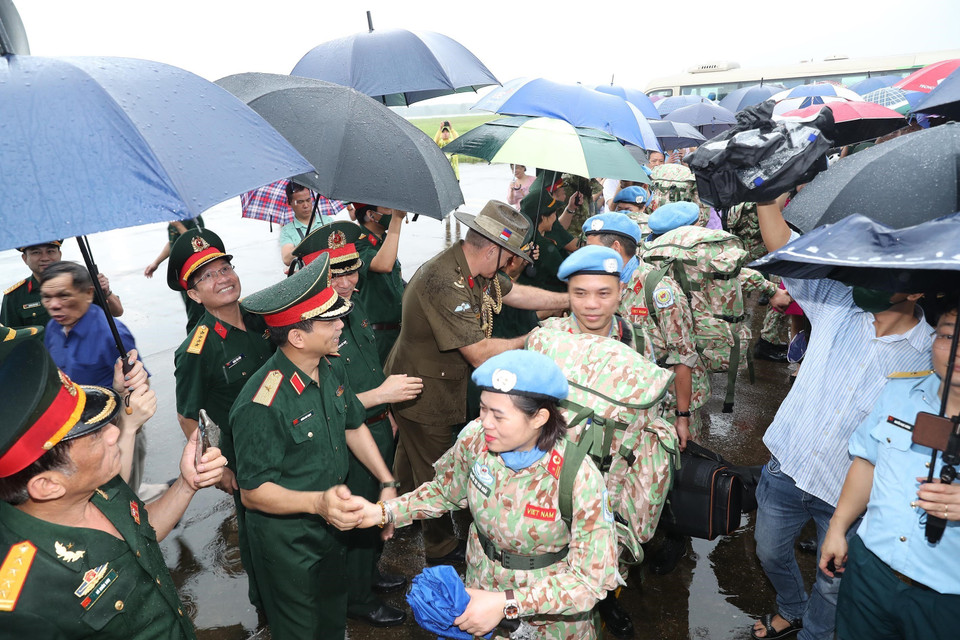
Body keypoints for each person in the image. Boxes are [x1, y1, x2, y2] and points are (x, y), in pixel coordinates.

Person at [749, 196, 935, 640]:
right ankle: (790, 607)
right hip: (788, 467)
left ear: (916, 290)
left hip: (850, 493)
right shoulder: (834, 300)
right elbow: (784, 245)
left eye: (883, 275)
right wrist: (765, 195)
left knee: (832, 588)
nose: (866, 280)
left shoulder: (933, 353)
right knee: (768, 551)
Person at [359, 349, 620, 639]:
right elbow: (444, 491)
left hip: (548, 616)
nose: (485, 422)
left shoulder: (577, 477)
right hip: (480, 589)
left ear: (539, 418)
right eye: (482, 409)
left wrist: (507, 603)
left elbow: (591, 580)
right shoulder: (476, 439)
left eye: (498, 415)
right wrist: (384, 511)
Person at [0, 339, 226, 639]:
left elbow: (139, 536)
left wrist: (187, 484)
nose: (114, 432)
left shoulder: (92, 482)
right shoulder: (25, 602)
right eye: (94, 436)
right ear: (47, 486)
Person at [385, 200, 570, 565]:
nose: (509, 264)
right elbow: (481, 353)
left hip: (435, 382)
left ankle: (397, 517)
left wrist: (569, 300)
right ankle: (439, 548)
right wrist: (538, 336)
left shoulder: (476, 270)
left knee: (410, 458)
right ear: (492, 249)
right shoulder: (444, 280)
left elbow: (514, 293)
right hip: (423, 392)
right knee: (436, 470)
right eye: (508, 256)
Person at [227, 253, 400, 640]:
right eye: (331, 320)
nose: (342, 324)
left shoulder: (329, 365)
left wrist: (386, 481)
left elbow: (353, 424)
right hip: (290, 543)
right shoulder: (261, 403)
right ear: (297, 336)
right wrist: (317, 504)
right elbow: (254, 493)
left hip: (331, 528)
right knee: (302, 629)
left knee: (332, 619)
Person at [542, 245, 679, 638]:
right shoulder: (550, 340)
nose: (591, 305)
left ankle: (607, 600)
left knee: (610, 544)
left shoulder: (637, 338)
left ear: (621, 292)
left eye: (603, 293)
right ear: (568, 293)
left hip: (617, 469)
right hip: (560, 468)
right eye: (580, 293)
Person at [292, 221, 424, 627]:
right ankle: (357, 598)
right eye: (336, 273)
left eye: (351, 270)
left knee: (374, 509)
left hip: (378, 425)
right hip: (349, 436)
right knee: (355, 513)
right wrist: (381, 398)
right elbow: (328, 404)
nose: (347, 281)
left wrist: (389, 412)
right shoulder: (315, 329)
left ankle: (370, 574)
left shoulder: (353, 305)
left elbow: (372, 367)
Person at [819, 302, 960, 640]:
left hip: (946, 599)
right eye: (947, 335)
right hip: (870, 574)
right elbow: (867, 461)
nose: (955, 349)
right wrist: (837, 528)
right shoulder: (899, 392)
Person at [582, 212, 702, 448]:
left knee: (669, 467)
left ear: (616, 249)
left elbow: (683, 357)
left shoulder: (659, 291)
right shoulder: (602, 285)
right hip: (628, 396)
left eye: (592, 251)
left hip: (668, 402)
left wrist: (682, 418)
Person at [39, 261, 152, 495]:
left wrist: (128, 429)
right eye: (47, 297)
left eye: (63, 296)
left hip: (114, 433)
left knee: (123, 497)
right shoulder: (53, 328)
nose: (54, 305)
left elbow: (141, 387)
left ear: (89, 293)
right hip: (73, 436)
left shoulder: (113, 334)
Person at [3, 240, 122, 329]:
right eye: (36, 253)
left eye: (50, 251)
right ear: (25, 258)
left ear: (59, 254)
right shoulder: (14, 297)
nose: (45, 258)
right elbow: (10, 339)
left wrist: (106, 292)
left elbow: (117, 312)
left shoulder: (81, 282)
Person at [353, 203, 407, 364]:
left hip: (397, 331)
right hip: (377, 336)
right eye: (388, 209)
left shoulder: (382, 239)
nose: (392, 212)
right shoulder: (356, 243)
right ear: (371, 215)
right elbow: (383, 265)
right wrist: (396, 220)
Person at [144, 217, 207, 332]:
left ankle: (195, 347)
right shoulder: (175, 217)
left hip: (194, 274)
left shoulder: (193, 217)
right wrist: (156, 263)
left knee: (197, 315)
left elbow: (199, 244)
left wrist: (178, 225)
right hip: (181, 274)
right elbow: (173, 241)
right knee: (192, 312)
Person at [279, 181, 340, 267]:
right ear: (289, 203)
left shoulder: (327, 221)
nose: (306, 205)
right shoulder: (287, 230)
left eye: (308, 200)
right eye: (300, 202)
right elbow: (286, 259)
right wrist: (308, 244)